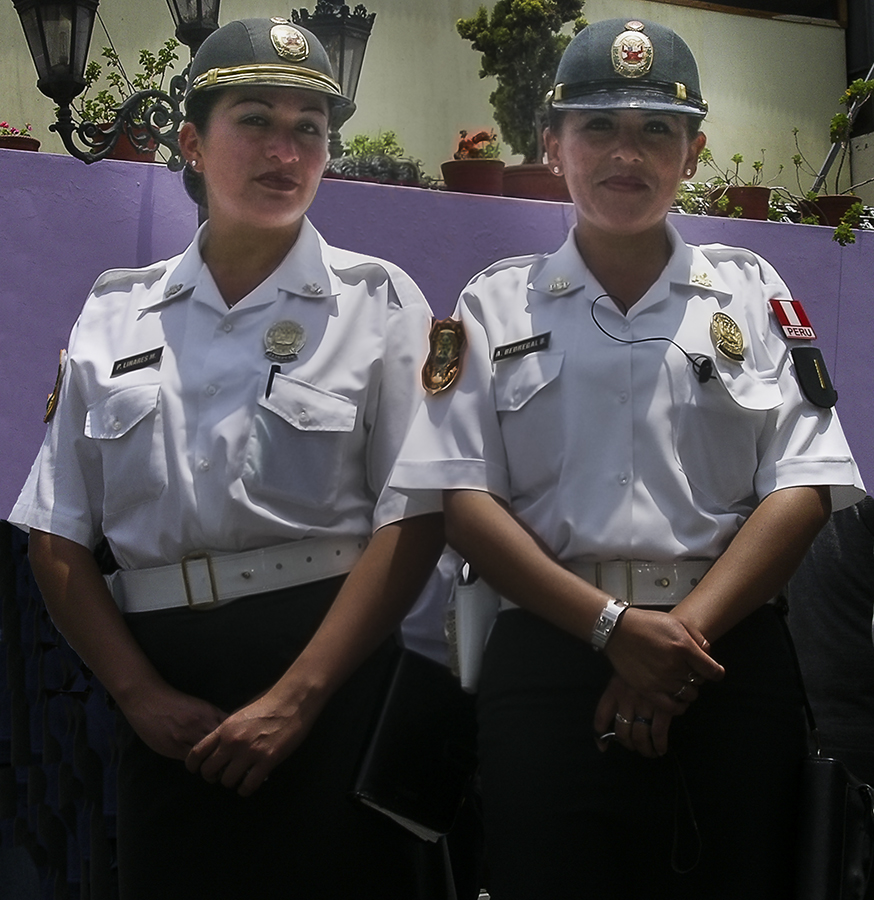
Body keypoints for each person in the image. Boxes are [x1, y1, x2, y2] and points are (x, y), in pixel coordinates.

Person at [390, 17, 866, 900]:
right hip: (550, 663)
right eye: (599, 127)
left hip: (726, 664)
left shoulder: (753, 295)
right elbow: (461, 498)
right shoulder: (492, 307)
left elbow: (803, 483)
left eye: (657, 130)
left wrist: (678, 645)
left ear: (694, 152)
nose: (627, 153)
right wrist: (613, 630)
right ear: (553, 146)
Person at [9, 18, 446, 899]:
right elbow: (57, 535)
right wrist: (136, 695)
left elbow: (417, 515)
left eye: (309, 129)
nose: (285, 151)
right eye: (255, 120)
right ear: (191, 144)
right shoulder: (114, 315)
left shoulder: (378, 301)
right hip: (166, 691)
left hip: (330, 671)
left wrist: (298, 699)